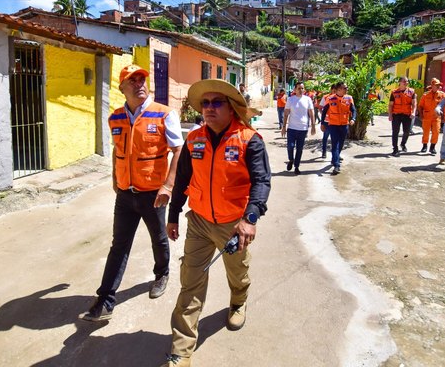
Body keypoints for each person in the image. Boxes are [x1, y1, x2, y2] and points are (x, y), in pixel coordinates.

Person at [162, 79, 271, 367]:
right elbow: (183, 179)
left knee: (238, 273)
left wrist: (250, 219)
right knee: (191, 282)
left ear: (231, 107)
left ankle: (238, 301)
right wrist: (173, 216)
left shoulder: (250, 140)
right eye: (205, 103)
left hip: (233, 223)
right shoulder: (194, 138)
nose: (208, 108)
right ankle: (181, 352)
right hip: (198, 221)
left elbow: (262, 182)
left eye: (216, 103)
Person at [81, 65, 183, 322]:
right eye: (132, 80)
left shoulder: (164, 114)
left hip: (153, 193)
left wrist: (168, 186)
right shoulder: (115, 117)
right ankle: (105, 300)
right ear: (122, 88)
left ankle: (162, 273)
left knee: (158, 239)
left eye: (142, 79)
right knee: (119, 245)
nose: (139, 83)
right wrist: (116, 178)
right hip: (126, 193)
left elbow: (178, 151)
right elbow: (118, 151)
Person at [281, 81, 316, 175]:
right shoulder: (291, 100)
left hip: (303, 129)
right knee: (290, 146)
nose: (301, 90)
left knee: (299, 149)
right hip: (292, 128)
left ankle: (296, 166)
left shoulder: (308, 99)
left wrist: (313, 125)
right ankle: (291, 159)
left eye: (302, 88)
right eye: (299, 88)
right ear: (295, 90)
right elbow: (286, 113)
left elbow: (311, 113)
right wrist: (284, 126)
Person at [321, 81, 356, 175]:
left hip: (344, 124)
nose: (346, 89)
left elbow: (353, 109)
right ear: (339, 89)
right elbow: (324, 112)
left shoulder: (349, 98)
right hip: (333, 125)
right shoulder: (330, 98)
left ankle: (334, 158)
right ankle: (336, 165)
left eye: (346, 88)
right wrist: (322, 123)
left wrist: (353, 118)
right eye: (345, 88)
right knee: (335, 144)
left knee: (340, 144)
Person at [388, 76, 417, 157]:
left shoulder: (411, 92)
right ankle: (395, 149)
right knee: (395, 132)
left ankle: (403, 144)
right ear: (399, 82)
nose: (406, 83)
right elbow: (390, 105)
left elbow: (414, 104)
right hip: (396, 114)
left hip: (407, 114)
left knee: (407, 131)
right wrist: (390, 115)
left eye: (407, 81)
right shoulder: (394, 92)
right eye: (404, 81)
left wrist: (413, 112)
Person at [418, 78, 445, 155]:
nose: (438, 86)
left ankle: (432, 147)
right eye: (437, 85)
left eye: (439, 85)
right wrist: (420, 115)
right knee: (426, 132)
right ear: (432, 85)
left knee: (436, 132)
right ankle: (424, 146)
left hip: (437, 117)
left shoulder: (442, 95)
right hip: (427, 116)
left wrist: (444, 117)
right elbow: (420, 106)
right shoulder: (425, 95)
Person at [319, 85, 337, 159]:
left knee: (335, 139)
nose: (335, 92)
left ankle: (336, 155)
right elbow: (320, 107)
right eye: (334, 90)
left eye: (336, 91)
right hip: (327, 121)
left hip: (335, 122)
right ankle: (324, 152)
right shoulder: (326, 97)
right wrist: (323, 115)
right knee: (325, 137)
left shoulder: (339, 98)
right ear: (331, 90)